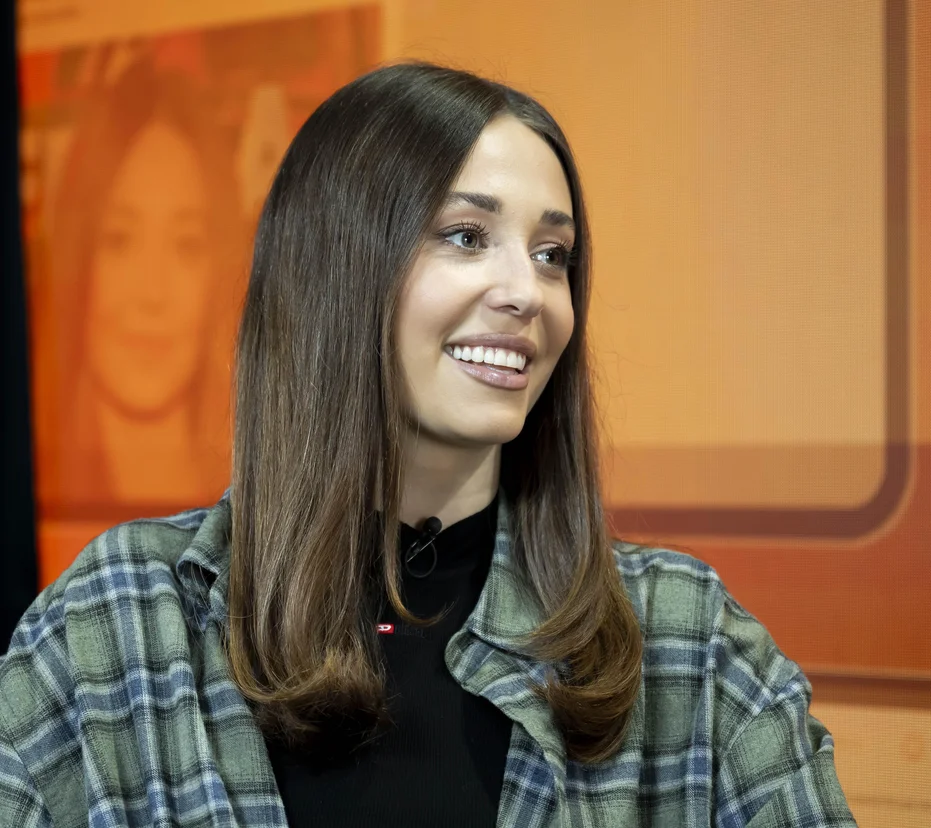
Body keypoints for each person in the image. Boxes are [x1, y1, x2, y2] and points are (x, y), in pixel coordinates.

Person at [0, 62, 857, 827]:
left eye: (552, 254)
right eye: (467, 236)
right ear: (336, 268)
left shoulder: (687, 642)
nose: (527, 292)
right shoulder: (120, 622)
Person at [32, 58, 242, 514]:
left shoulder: (266, 490)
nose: (153, 293)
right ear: (79, 260)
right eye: (118, 240)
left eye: (187, 245)